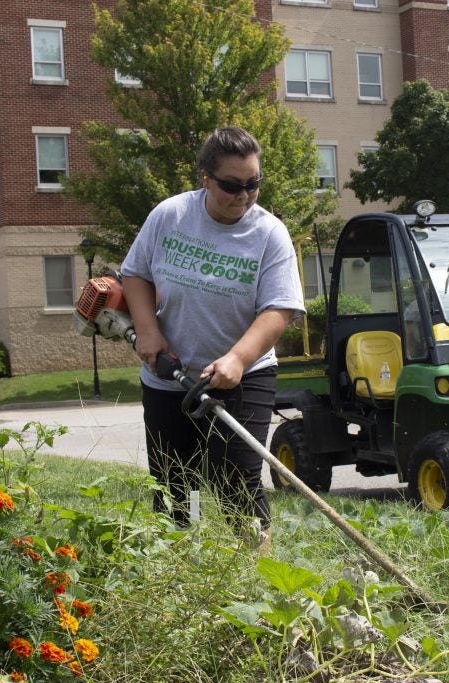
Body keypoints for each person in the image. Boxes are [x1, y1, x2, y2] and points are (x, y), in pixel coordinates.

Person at [120, 126, 305, 550]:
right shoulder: (170, 215)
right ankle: (185, 570)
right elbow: (135, 274)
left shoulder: (269, 233)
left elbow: (280, 308)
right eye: (232, 185)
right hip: (169, 375)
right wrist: (147, 331)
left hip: (245, 375)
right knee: (176, 484)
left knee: (236, 479)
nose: (244, 195)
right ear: (205, 177)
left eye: (253, 184)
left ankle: (253, 577)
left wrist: (238, 359)